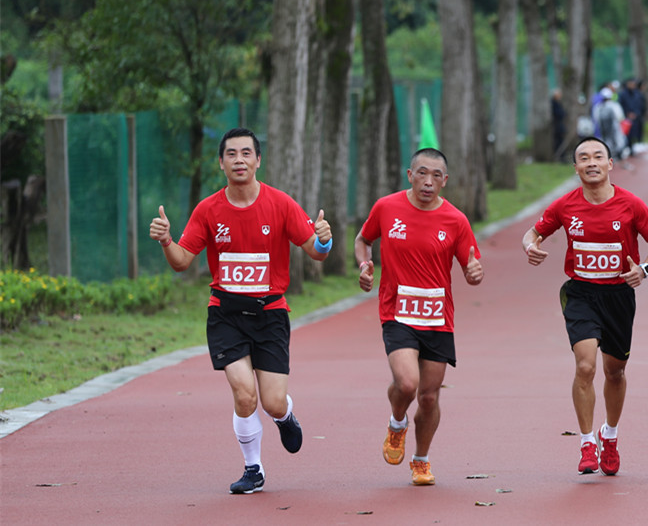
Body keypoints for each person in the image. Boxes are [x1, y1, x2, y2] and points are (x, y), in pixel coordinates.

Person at [147, 127, 333, 494]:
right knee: (245, 394)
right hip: (226, 314)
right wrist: (167, 240)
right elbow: (182, 261)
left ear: (258, 160)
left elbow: (315, 251)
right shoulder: (208, 210)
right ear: (221, 163)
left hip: (270, 314)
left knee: (272, 400)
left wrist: (324, 238)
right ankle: (253, 470)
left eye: (246, 153)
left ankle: (284, 415)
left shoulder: (280, 204)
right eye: (231, 154)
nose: (239, 160)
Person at [521, 136, 648, 476]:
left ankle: (610, 436)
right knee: (585, 366)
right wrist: (530, 246)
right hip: (581, 294)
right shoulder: (565, 206)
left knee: (614, 372)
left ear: (609, 164)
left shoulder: (631, 204)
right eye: (583, 158)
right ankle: (587, 442)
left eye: (597, 157)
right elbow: (533, 233)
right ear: (575, 168)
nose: (590, 162)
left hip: (618, 296)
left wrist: (642, 270)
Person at [354, 148, 484, 487]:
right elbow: (363, 240)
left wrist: (473, 273)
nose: (428, 182)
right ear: (409, 175)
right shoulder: (386, 207)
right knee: (408, 383)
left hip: (438, 317)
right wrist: (364, 266)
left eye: (436, 176)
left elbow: (472, 267)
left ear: (445, 180)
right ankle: (397, 424)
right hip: (397, 312)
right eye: (422, 173)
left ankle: (421, 460)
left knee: (428, 396)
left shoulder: (455, 220)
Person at [619, 78, 646, 155]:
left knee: (638, 131)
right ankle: (628, 147)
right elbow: (621, 105)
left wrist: (637, 113)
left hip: (637, 116)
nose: (633, 85)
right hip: (627, 117)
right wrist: (627, 113)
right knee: (628, 134)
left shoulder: (637, 93)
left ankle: (636, 146)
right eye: (631, 84)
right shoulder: (623, 94)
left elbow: (639, 105)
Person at [552, 88, 567, 162]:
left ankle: (562, 156)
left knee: (560, 141)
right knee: (558, 142)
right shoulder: (554, 104)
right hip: (556, 126)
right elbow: (559, 114)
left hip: (559, 126)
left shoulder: (558, 103)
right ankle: (559, 156)